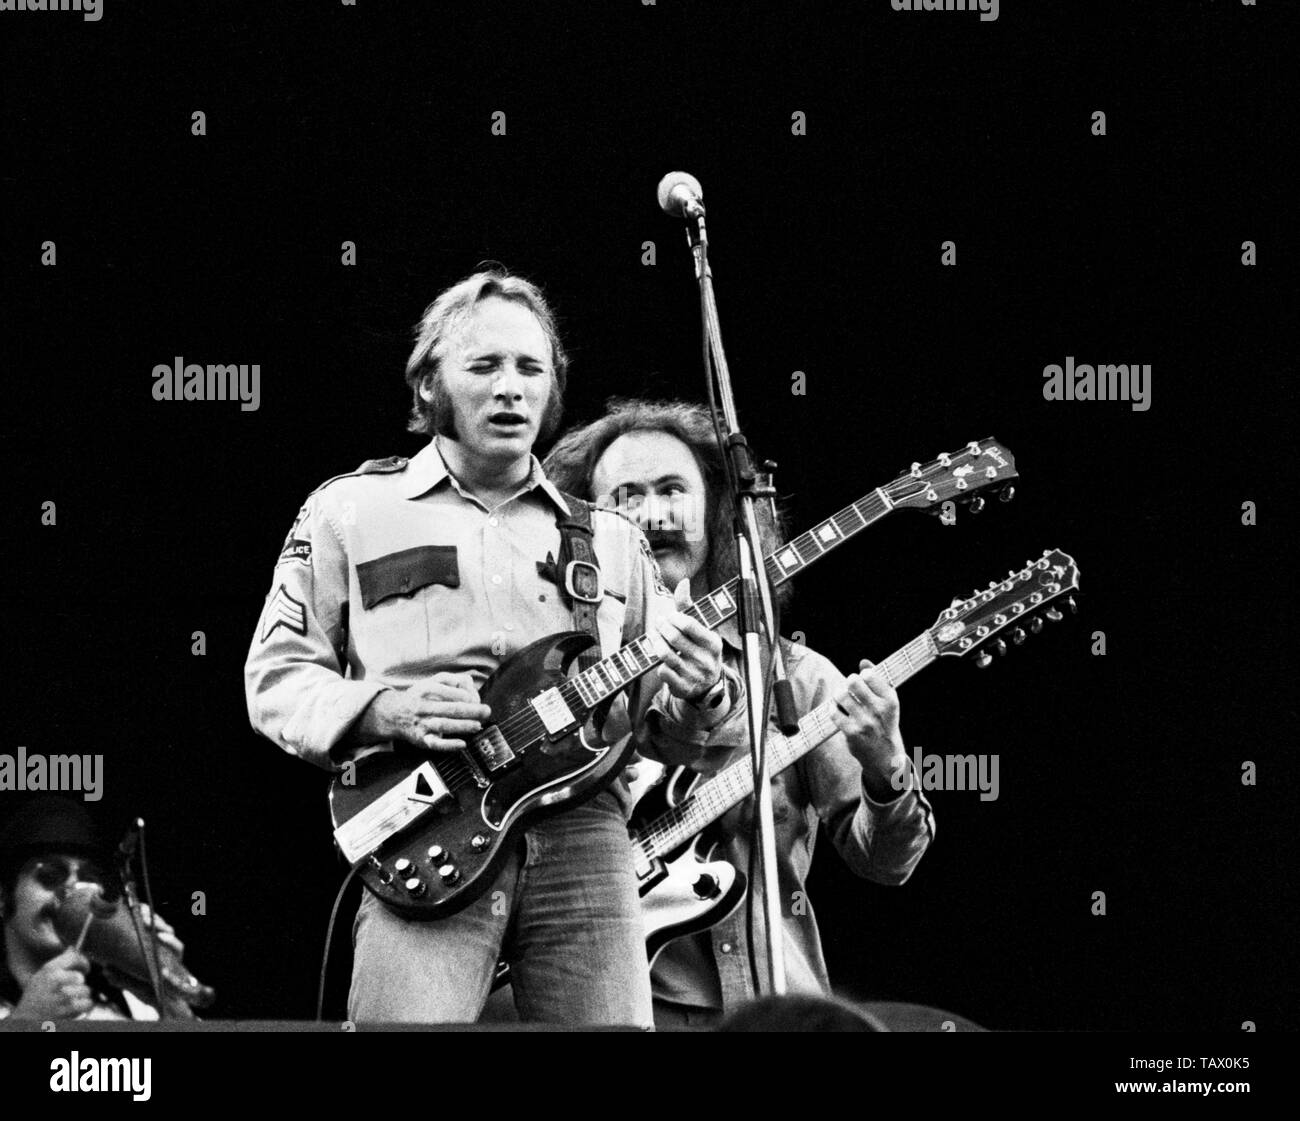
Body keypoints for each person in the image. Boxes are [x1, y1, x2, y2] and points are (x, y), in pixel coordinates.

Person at [244, 270, 743, 1027]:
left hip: (586, 832)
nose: (511, 388)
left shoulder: (611, 540)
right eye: (484, 366)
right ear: (428, 386)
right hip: (427, 817)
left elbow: (656, 732)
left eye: (530, 369)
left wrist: (698, 692)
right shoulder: (351, 509)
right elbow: (276, 678)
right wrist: (380, 707)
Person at [543, 398, 936, 1028]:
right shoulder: (555, 672)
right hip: (608, 1002)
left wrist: (886, 765)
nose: (653, 514)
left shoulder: (795, 677)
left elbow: (886, 864)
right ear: (584, 524)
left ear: (720, 510)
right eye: (626, 495)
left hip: (762, 1003)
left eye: (674, 489)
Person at [0, 795, 181, 1021]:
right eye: (51, 875)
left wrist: (171, 1001)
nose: (72, 890)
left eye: (88, 878)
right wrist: (25, 1022)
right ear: (3, 897)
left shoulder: (133, 1007)